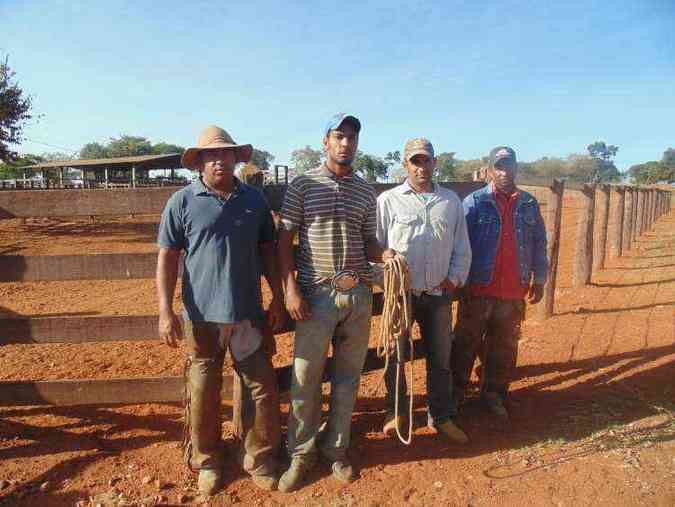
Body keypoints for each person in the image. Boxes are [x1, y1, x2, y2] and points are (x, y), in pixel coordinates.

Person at [156, 125, 285, 496]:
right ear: (199, 162)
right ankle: (208, 461)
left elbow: (267, 252)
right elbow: (167, 256)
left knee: (262, 386)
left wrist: (277, 296)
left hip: (247, 313)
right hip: (202, 317)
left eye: (225, 154)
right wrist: (165, 310)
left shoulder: (254, 201)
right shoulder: (182, 201)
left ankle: (260, 458)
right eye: (211, 155)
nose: (219, 160)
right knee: (204, 389)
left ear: (235, 158)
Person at [277, 113, 395, 492]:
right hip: (316, 296)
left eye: (352, 138)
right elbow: (284, 241)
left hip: (358, 295)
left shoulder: (365, 191)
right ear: (326, 141)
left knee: (347, 378)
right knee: (305, 378)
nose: (346, 144)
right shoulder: (303, 184)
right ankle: (300, 453)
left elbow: (367, 241)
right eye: (339, 137)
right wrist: (289, 290)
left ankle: (337, 449)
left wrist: (386, 254)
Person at [376, 138, 472, 443]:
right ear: (406, 164)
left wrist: (453, 279)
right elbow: (377, 247)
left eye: (426, 161)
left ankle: (440, 416)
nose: (421, 167)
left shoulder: (450, 202)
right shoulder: (388, 201)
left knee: (440, 358)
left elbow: (461, 247)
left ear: (435, 163)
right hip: (401, 296)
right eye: (415, 161)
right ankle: (397, 413)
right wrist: (388, 280)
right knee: (395, 356)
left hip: (438, 295)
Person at [451, 146, 548, 418]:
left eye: (509, 166)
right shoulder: (474, 202)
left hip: (513, 291)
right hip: (478, 289)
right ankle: (455, 394)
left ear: (516, 168)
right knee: (465, 343)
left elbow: (539, 243)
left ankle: (494, 394)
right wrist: (458, 278)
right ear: (490, 170)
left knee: (504, 346)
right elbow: (459, 243)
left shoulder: (529, 204)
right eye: (499, 167)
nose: (504, 172)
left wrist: (539, 279)